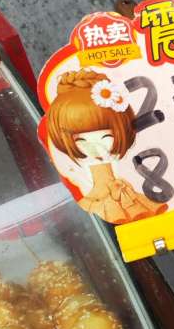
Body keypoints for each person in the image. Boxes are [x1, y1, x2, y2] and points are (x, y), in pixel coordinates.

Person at [46, 69, 166, 224]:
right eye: (81, 140)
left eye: (106, 137)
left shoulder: (125, 188)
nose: (95, 147)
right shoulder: (90, 200)